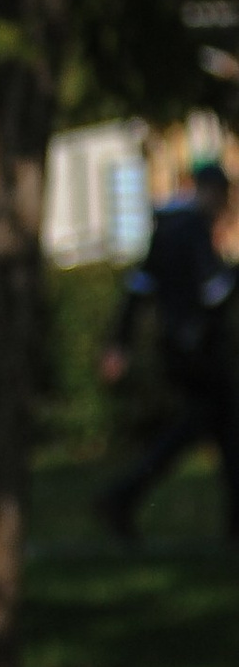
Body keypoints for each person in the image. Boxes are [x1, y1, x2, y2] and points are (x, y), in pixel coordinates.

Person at [96, 157, 239, 544]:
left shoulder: (167, 230)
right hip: (199, 351)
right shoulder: (193, 230)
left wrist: (119, 344)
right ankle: (123, 496)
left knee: (220, 432)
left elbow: (138, 290)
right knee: (201, 430)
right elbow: (215, 292)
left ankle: (126, 498)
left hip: (175, 349)